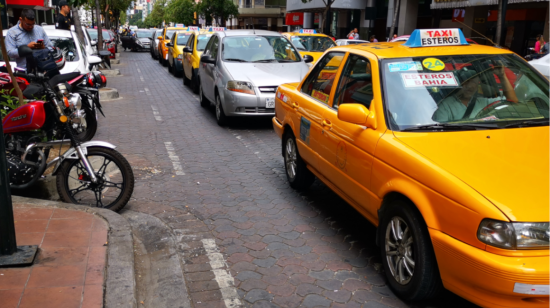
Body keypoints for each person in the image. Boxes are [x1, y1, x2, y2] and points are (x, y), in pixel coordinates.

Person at [433, 64, 518, 122]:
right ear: (459, 84)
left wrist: (502, 76)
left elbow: (512, 101)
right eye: (466, 82)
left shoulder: (483, 102)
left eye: (473, 82)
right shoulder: (445, 106)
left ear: (478, 85)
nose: (470, 86)